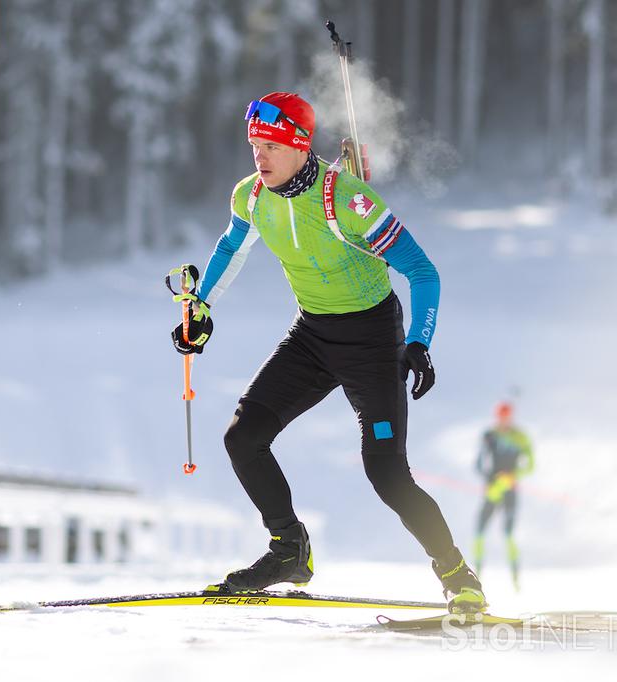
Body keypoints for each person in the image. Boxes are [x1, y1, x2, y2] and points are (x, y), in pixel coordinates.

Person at [171, 92, 486, 613]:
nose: (259, 156)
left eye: (270, 144)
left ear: (298, 145)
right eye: (254, 145)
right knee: (243, 436)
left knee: (386, 473)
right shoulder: (250, 197)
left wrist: (419, 344)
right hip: (313, 335)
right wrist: (199, 308)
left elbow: (422, 271)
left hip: (373, 340)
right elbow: (231, 248)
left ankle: (458, 575)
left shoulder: (346, 199)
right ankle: (289, 549)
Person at [473, 401, 534, 590]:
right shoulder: (489, 436)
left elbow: (530, 465)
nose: (504, 420)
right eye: (501, 416)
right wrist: (488, 480)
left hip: (509, 491)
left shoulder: (520, 437)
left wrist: (513, 477)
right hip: (492, 491)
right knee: (479, 532)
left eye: (506, 416)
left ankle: (516, 579)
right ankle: (476, 576)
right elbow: (479, 464)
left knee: (508, 535)